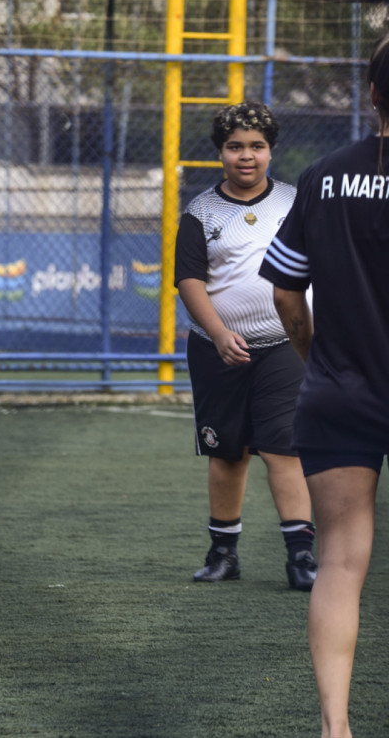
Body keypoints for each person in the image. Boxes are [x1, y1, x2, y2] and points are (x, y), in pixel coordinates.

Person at [259, 35, 389, 738]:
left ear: (371, 95)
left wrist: (320, 361)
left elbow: (285, 293)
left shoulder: (325, 175)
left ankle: (334, 727)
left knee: (338, 560)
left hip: (338, 392)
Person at [173, 101, 316, 592]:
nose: (246, 156)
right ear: (221, 153)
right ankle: (223, 554)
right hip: (217, 349)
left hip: (285, 347)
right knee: (227, 453)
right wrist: (218, 333)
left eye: (257, 146)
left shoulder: (297, 202)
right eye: (235, 147)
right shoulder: (200, 212)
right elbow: (189, 280)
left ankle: (301, 557)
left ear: (271, 150)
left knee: (284, 449)